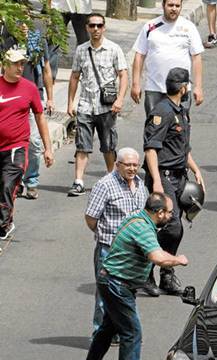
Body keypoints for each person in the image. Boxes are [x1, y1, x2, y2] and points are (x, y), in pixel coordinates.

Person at [78, 192, 189, 360]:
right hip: (117, 284)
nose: (172, 216)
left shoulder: (139, 218)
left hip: (112, 280)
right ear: (159, 212)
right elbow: (157, 257)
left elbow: (155, 252)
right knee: (132, 331)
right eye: (170, 213)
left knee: (107, 328)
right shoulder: (143, 228)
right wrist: (178, 260)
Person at [142, 68, 205, 295]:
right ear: (183, 87)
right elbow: (151, 149)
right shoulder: (162, 111)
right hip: (164, 175)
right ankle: (146, 271)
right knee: (170, 225)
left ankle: (166, 276)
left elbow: (182, 148)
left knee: (175, 225)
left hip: (180, 175)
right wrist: (157, 183)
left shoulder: (181, 111)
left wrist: (196, 170)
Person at [85, 148, 148, 335]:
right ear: (117, 165)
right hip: (109, 250)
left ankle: (126, 332)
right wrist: (105, 235)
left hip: (133, 251)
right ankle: (101, 333)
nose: (132, 169)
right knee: (105, 295)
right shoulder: (105, 185)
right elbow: (91, 218)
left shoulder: (140, 185)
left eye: (135, 165)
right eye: (127, 165)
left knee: (127, 293)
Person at [66, 13, 128, 197]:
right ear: (86, 28)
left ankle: (111, 179)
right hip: (86, 105)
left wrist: (120, 99)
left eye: (99, 25)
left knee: (108, 145)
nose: (96, 29)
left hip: (107, 107)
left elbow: (123, 74)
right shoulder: (81, 50)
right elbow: (75, 76)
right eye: (92, 26)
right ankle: (78, 181)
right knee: (82, 145)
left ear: (104, 27)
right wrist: (70, 102)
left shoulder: (113, 49)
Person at [0, 49, 54, 241]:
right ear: (5, 65)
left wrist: (48, 148)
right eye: (16, 64)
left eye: (22, 64)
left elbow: (40, 118)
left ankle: (3, 226)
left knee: (8, 185)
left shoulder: (29, 88)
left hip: (17, 146)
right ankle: (6, 219)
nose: (20, 68)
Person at [131, 0, 205, 116]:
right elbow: (139, 55)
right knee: (154, 130)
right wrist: (136, 84)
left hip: (181, 89)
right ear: (163, 6)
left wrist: (198, 87)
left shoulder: (189, 27)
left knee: (179, 130)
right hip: (154, 89)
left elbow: (196, 58)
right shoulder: (150, 27)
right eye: (170, 5)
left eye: (177, 6)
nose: (174, 9)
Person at [16, 22, 53, 201]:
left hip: (34, 94)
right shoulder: (7, 39)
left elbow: (46, 69)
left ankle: (31, 181)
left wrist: (51, 97)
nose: (22, 22)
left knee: (33, 141)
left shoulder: (38, 40)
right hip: (12, 96)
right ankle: (16, 180)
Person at [48, 0, 91, 79]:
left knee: (84, 43)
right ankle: (49, 76)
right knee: (54, 42)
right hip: (58, 7)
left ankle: (84, 74)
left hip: (81, 8)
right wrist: (48, 6)